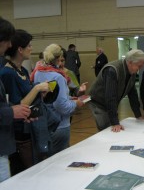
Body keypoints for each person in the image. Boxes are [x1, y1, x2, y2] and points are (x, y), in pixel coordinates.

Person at [0, 30, 51, 174]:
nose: (31, 48)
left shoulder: (22, 70)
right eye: (28, 45)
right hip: (19, 134)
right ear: (20, 49)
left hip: (30, 127)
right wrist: (36, 89)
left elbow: (29, 99)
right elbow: (17, 106)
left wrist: (40, 93)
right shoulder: (7, 73)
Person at [31, 44, 84, 155]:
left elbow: (52, 96)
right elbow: (61, 106)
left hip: (45, 123)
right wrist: (76, 104)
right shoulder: (58, 77)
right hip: (59, 125)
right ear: (58, 58)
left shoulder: (37, 72)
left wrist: (70, 97)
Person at [0, 18, 31, 182]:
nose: (9, 46)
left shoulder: (23, 70)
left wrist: (20, 111)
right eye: (6, 41)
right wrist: (12, 111)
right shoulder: (7, 72)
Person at [89, 49, 144, 132]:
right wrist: (115, 122)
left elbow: (132, 94)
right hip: (99, 103)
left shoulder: (132, 72)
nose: (139, 69)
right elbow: (110, 96)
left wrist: (138, 115)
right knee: (106, 129)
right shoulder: (112, 70)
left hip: (110, 103)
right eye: (139, 66)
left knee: (113, 127)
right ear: (130, 62)